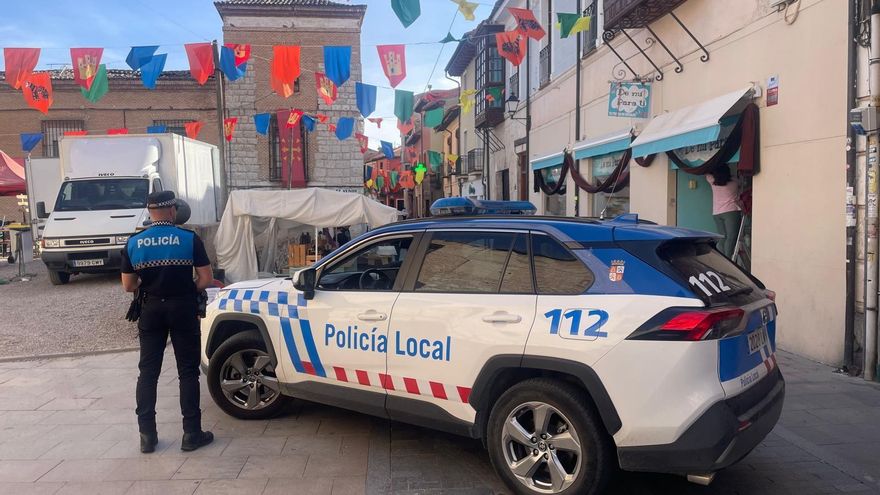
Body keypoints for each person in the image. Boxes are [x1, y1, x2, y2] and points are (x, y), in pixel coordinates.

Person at [120, 191, 214, 454]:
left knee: (148, 372)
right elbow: (206, 278)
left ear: (150, 212)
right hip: (183, 307)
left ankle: (147, 436)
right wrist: (188, 289)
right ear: (172, 211)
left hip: (150, 309)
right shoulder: (188, 238)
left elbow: (128, 286)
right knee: (187, 371)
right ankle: (191, 434)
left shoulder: (135, 242)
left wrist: (148, 286)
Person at [705, 166, 742, 258]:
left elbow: (706, 171)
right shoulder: (734, 182)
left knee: (723, 238)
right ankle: (729, 259)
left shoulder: (712, 180)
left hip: (717, 213)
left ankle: (722, 259)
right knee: (731, 237)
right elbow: (741, 183)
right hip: (731, 212)